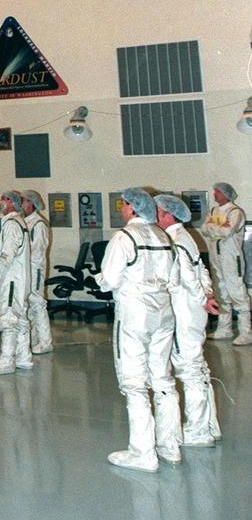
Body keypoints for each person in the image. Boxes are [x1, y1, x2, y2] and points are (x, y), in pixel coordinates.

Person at [98, 187, 182, 471]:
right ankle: (170, 445)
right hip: (163, 314)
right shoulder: (162, 236)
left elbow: (108, 279)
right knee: (162, 378)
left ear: (132, 208)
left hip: (134, 315)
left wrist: (102, 279)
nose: (120, 208)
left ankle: (142, 452)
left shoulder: (124, 237)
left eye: (123, 204)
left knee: (134, 383)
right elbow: (174, 277)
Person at [154, 193, 221, 446]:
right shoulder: (185, 237)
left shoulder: (176, 241)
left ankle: (198, 430)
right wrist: (207, 294)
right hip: (192, 309)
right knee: (198, 367)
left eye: (157, 213)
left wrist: (201, 297)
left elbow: (188, 279)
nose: (153, 217)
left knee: (189, 369)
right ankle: (209, 424)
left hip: (184, 311)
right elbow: (201, 270)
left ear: (168, 215)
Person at [0, 191, 32, 376]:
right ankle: (23, 357)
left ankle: (6, 360)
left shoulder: (12, 224)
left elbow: (7, 255)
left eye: (3, 198)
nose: (0, 201)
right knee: (20, 317)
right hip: (19, 278)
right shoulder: (18, 222)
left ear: (12, 202)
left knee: (9, 317)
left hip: (13, 279)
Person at [202, 182, 251, 345]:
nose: (215, 194)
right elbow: (204, 229)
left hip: (231, 258)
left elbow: (227, 231)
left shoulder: (235, 212)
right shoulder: (214, 211)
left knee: (236, 292)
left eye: (217, 192)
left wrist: (214, 228)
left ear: (225, 194)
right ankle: (225, 328)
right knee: (220, 292)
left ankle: (246, 331)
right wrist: (216, 227)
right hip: (216, 257)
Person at [21, 190, 53, 354]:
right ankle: (34, 339)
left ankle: (46, 342)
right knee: (30, 305)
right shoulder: (24, 222)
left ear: (31, 203)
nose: (21, 204)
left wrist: (20, 255)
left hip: (35, 268)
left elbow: (38, 248)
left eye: (24, 201)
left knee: (38, 304)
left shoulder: (38, 224)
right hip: (26, 268)